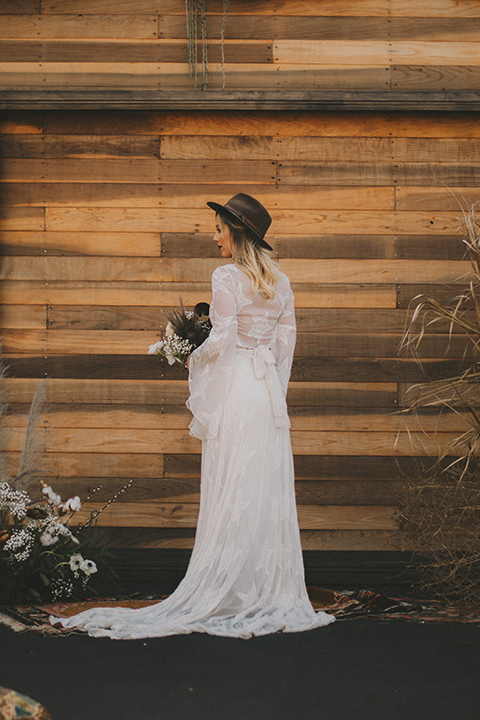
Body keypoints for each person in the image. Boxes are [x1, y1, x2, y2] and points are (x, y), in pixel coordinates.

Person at [51, 193, 335, 639]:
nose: (213, 235)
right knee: (260, 485)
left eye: (219, 228)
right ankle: (260, 587)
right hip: (264, 397)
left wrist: (185, 354)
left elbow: (220, 341)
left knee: (231, 483)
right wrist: (275, 395)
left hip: (237, 392)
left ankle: (227, 587)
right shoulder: (281, 283)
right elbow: (285, 351)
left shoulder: (225, 276)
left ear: (236, 232)